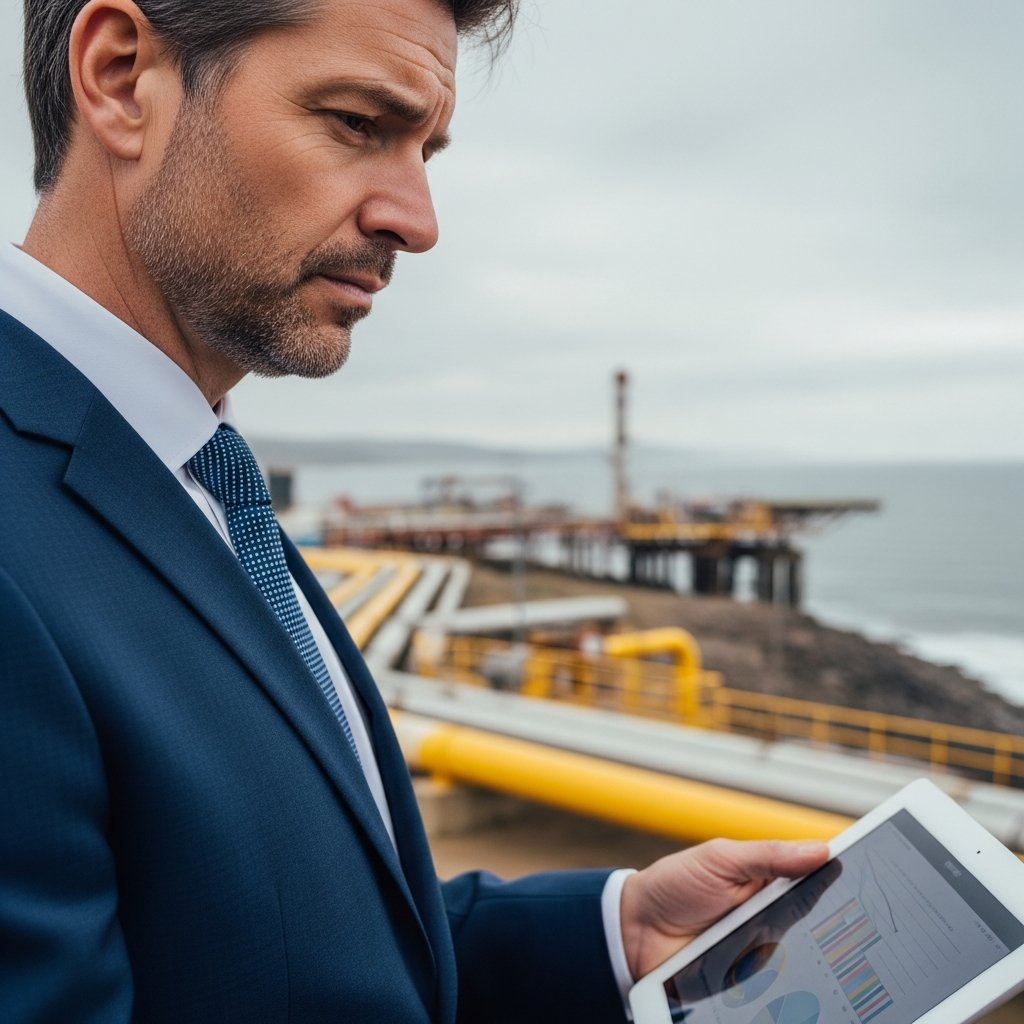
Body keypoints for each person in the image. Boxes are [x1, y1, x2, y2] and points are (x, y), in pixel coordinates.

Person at [0, 0, 829, 1020]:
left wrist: (613, 933)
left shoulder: (192, 474)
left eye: (426, 149)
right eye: (357, 123)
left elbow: (285, 935)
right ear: (122, 77)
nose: (418, 220)